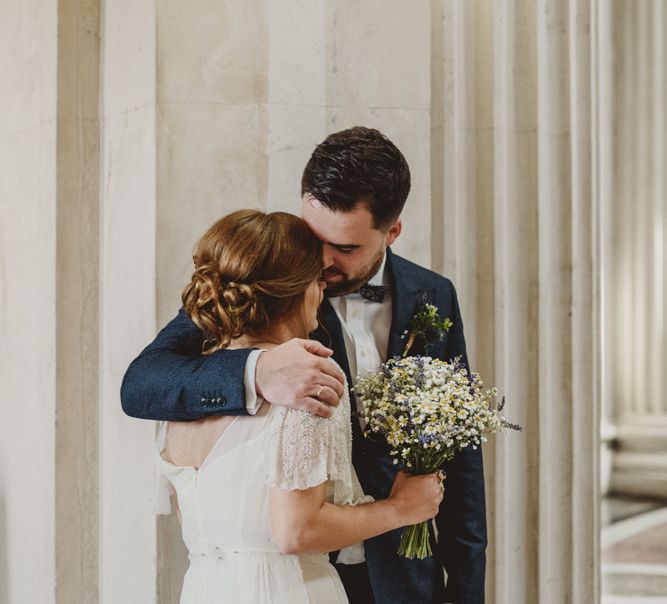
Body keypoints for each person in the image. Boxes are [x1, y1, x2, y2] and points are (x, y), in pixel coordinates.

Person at [122, 127, 487, 604]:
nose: (321, 263)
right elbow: (142, 382)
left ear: (392, 231)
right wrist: (257, 370)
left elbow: (460, 452)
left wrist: (465, 589)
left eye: (346, 248)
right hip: (298, 575)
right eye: (315, 238)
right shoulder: (264, 280)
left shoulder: (433, 294)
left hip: (402, 574)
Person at [153, 209, 444, 603]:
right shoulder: (309, 384)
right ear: (297, 289)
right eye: (317, 280)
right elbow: (296, 532)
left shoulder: (182, 400)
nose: (322, 292)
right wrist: (402, 508)